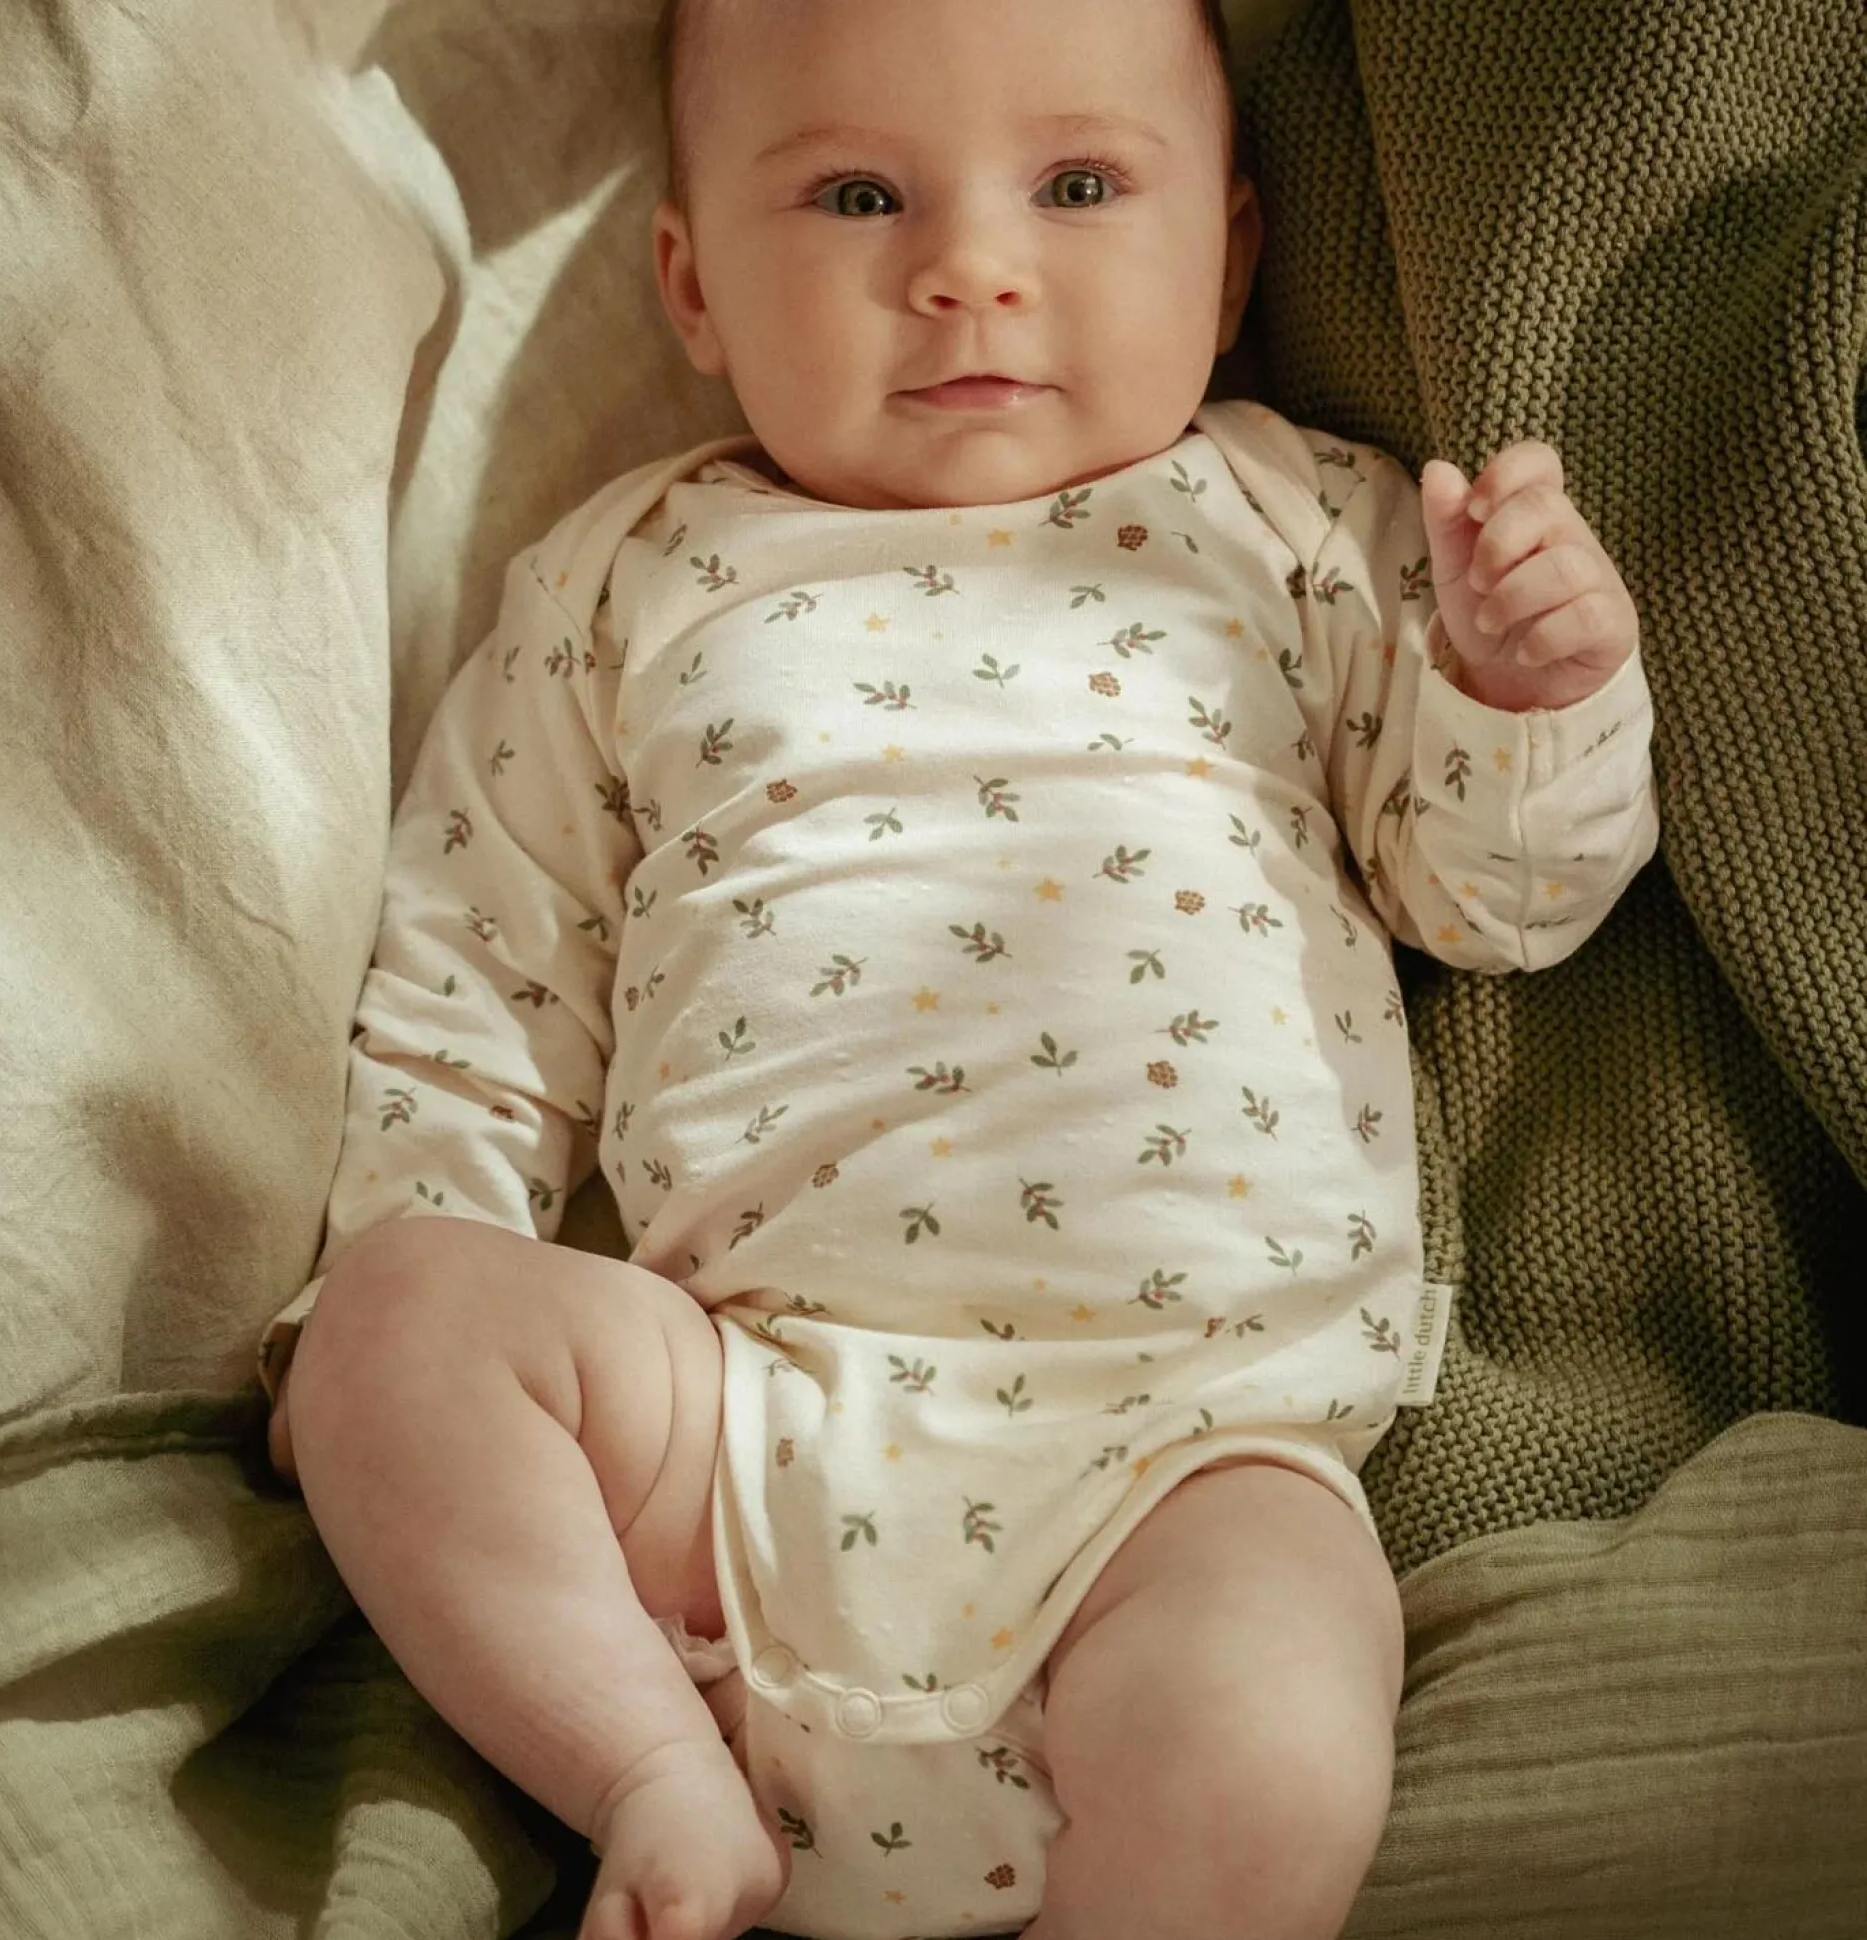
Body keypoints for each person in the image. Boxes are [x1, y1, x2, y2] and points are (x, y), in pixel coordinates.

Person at [264, 1, 1658, 1935]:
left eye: (1076, 185)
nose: (969, 271)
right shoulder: (629, 578)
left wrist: (1527, 693)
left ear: (1228, 258)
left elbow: (1498, 900)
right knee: (393, 1325)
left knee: (1271, 1740)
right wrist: (412, 1317)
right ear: (693, 283)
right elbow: (474, 983)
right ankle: (648, 1778)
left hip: (1183, 1459)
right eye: (859, 197)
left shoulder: (1287, 527)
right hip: (736, 1446)